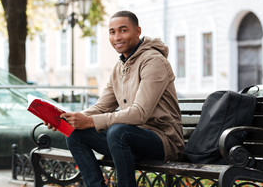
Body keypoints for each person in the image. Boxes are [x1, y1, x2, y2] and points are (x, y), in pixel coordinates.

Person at [47, 10, 184, 187]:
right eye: (112, 32)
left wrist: (89, 121)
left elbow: (139, 114)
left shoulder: (153, 61)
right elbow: (101, 107)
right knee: (74, 134)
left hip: (163, 141)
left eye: (123, 30)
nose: (117, 37)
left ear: (138, 31)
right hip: (129, 140)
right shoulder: (119, 68)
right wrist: (66, 119)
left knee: (118, 131)